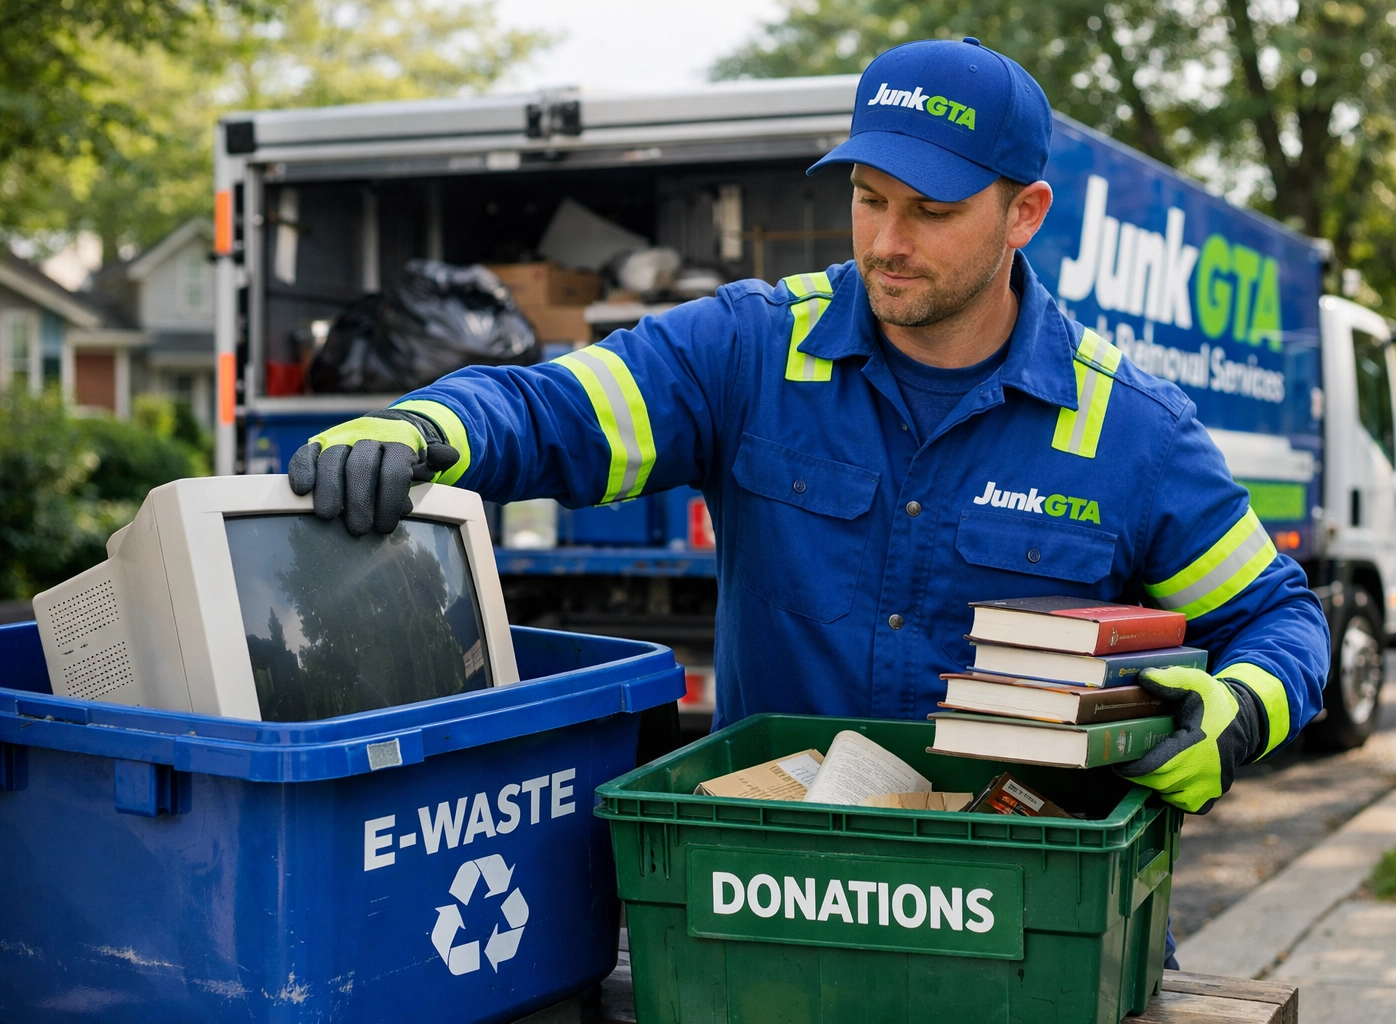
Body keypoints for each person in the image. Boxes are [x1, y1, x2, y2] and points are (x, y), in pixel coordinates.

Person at [287, 37, 1328, 965]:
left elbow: (1278, 618)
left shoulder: (1131, 431)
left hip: (1030, 934)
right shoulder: (749, 349)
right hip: (777, 920)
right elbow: (556, 407)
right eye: (871, 198)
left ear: (1025, 212)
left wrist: (1236, 712)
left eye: (932, 210)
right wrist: (428, 427)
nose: (887, 241)